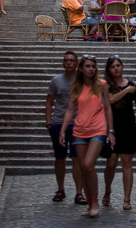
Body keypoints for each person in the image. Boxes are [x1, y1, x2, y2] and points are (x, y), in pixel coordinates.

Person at [60, 55, 115, 218]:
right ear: (81, 69)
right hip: (79, 130)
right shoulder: (76, 86)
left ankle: (95, 201)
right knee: (83, 168)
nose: (91, 69)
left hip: (98, 129)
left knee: (88, 164)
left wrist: (111, 131)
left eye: (93, 66)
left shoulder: (102, 85)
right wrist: (63, 130)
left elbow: (107, 109)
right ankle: (90, 205)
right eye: (88, 66)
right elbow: (70, 109)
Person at [102, 56, 136, 211]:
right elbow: (111, 100)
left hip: (128, 127)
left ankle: (127, 198)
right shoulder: (106, 85)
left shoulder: (132, 84)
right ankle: (107, 190)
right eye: (113, 66)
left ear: (122, 67)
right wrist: (127, 90)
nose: (116, 69)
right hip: (112, 128)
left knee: (127, 163)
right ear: (109, 69)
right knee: (111, 163)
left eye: (118, 65)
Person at [46, 51, 85, 204]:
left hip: (76, 124)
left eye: (71, 60)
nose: (68, 63)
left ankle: (79, 192)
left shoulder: (82, 81)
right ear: (63, 63)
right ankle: (60, 189)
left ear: (76, 64)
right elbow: (49, 102)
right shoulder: (56, 81)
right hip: (57, 123)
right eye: (66, 60)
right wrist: (49, 122)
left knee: (76, 158)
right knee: (60, 158)